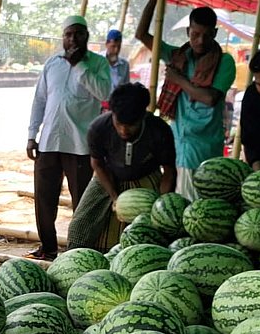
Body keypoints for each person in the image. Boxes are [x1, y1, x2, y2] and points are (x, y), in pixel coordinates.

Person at [25, 15, 111, 261]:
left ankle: (79, 252)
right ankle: (48, 248)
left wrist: (79, 67)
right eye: (68, 34)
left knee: (82, 202)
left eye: (78, 34)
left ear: (86, 36)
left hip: (80, 145)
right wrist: (32, 135)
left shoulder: (97, 64)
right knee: (44, 199)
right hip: (49, 142)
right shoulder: (52, 64)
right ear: (63, 37)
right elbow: (40, 100)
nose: (73, 39)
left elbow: (105, 93)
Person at [136, 0, 236, 199]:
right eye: (195, 34)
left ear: (215, 34)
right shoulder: (178, 56)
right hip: (177, 140)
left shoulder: (225, 62)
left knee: (193, 205)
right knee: (175, 200)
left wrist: (178, 80)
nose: (200, 41)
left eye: (207, 35)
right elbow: (142, 34)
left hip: (203, 144)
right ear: (188, 31)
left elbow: (210, 98)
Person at [67, 82, 176, 252]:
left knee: (154, 234)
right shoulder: (98, 128)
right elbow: (97, 163)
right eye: (119, 123)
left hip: (146, 176)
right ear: (112, 114)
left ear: (143, 117)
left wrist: (160, 204)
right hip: (107, 176)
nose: (124, 131)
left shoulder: (160, 130)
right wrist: (114, 196)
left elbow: (169, 172)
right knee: (79, 228)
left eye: (131, 125)